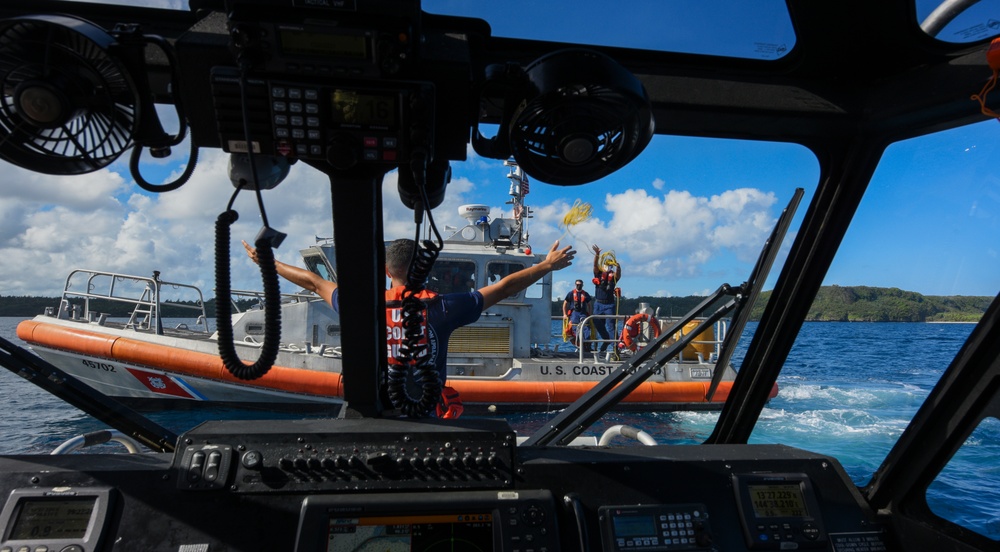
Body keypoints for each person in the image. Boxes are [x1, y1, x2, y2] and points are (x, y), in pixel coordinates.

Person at [243, 237, 575, 391]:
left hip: (375, 409)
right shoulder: (443, 308)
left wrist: (267, 262)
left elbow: (315, 283)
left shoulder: (362, 307)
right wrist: (545, 265)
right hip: (425, 409)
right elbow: (502, 288)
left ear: (387, 270)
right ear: (425, 268)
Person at [591, 244, 621, 354]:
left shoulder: (613, 277)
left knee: (611, 325)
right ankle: (606, 340)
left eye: (610, 266)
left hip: (609, 304)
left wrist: (618, 266)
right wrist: (597, 254)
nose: (608, 267)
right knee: (597, 323)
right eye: (606, 265)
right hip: (598, 303)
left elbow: (618, 275)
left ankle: (615, 348)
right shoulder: (598, 274)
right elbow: (594, 265)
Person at [562, 279, 593, 352]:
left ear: (582, 285)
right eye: (577, 285)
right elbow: (565, 304)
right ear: (575, 285)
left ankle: (587, 346)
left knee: (587, 330)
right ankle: (580, 345)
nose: (579, 286)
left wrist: (590, 315)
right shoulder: (571, 293)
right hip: (574, 314)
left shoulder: (586, 294)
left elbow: (589, 305)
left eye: (580, 285)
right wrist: (565, 314)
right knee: (574, 331)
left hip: (583, 313)